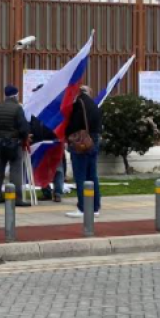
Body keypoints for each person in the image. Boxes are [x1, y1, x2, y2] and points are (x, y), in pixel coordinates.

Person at [65, 85, 104, 219]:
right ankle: (95, 207)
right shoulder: (95, 105)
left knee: (80, 176)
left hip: (81, 143)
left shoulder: (78, 104)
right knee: (92, 175)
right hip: (94, 141)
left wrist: (67, 137)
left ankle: (83, 208)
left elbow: (73, 125)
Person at [0, 85, 30, 207]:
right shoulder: (18, 108)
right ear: (16, 94)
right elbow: (23, 127)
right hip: (14, 142)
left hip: (0, 142)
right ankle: (16, 198)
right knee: (15, 171)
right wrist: (24, 137)